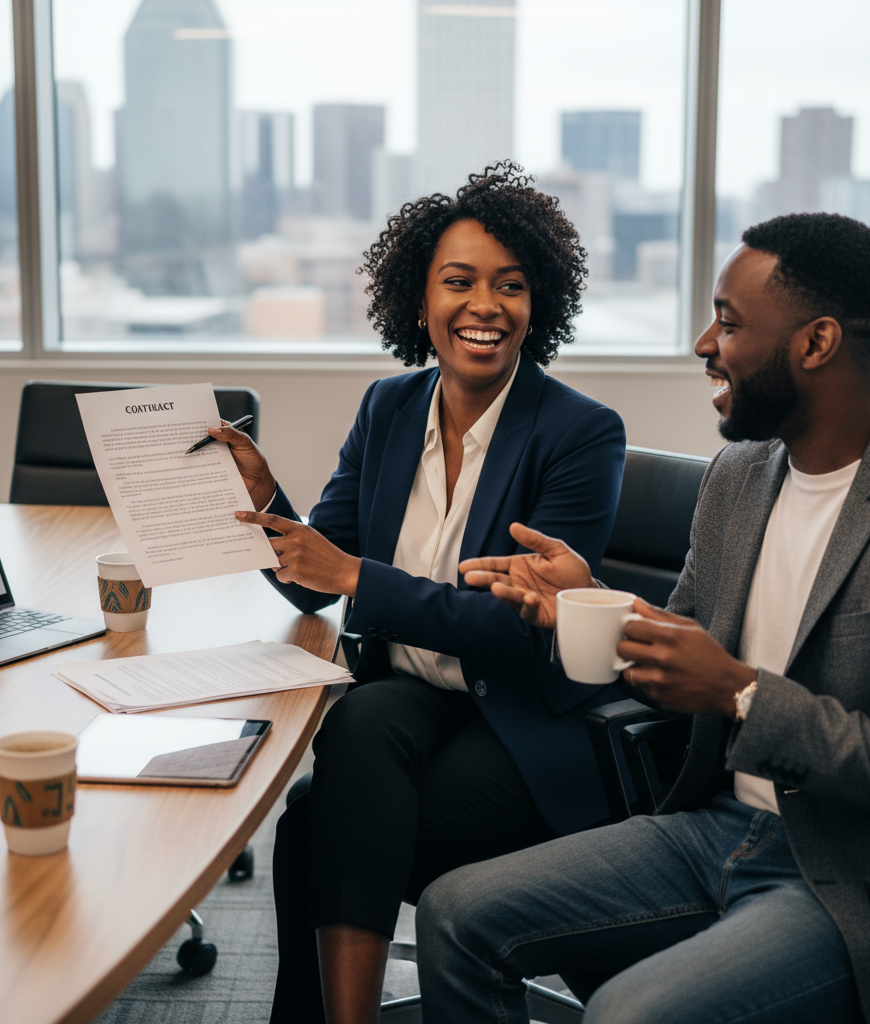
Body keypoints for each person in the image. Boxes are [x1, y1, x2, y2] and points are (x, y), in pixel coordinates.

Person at [415, 212, 870, 1024]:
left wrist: (743, 695)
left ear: (815, 344)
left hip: (853, 869)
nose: (705, 343)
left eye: (730, 322)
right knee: (455, 912)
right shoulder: (739, 476)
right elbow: (676, 665)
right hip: (715, 826)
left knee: (630, 1013)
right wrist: (586, 607)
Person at [213, 163, 626, 1024]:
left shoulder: (581, 433)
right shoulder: (389, 408)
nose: (486, 305)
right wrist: (260, 501)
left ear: (536, 304)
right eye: (460, 282)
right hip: (407, 702)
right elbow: (313, 582)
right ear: (419, 301)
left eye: (510, 286)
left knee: (312, 824)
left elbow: (525, 633)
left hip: (515, 718)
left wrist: (359, 578)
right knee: (356, 741)